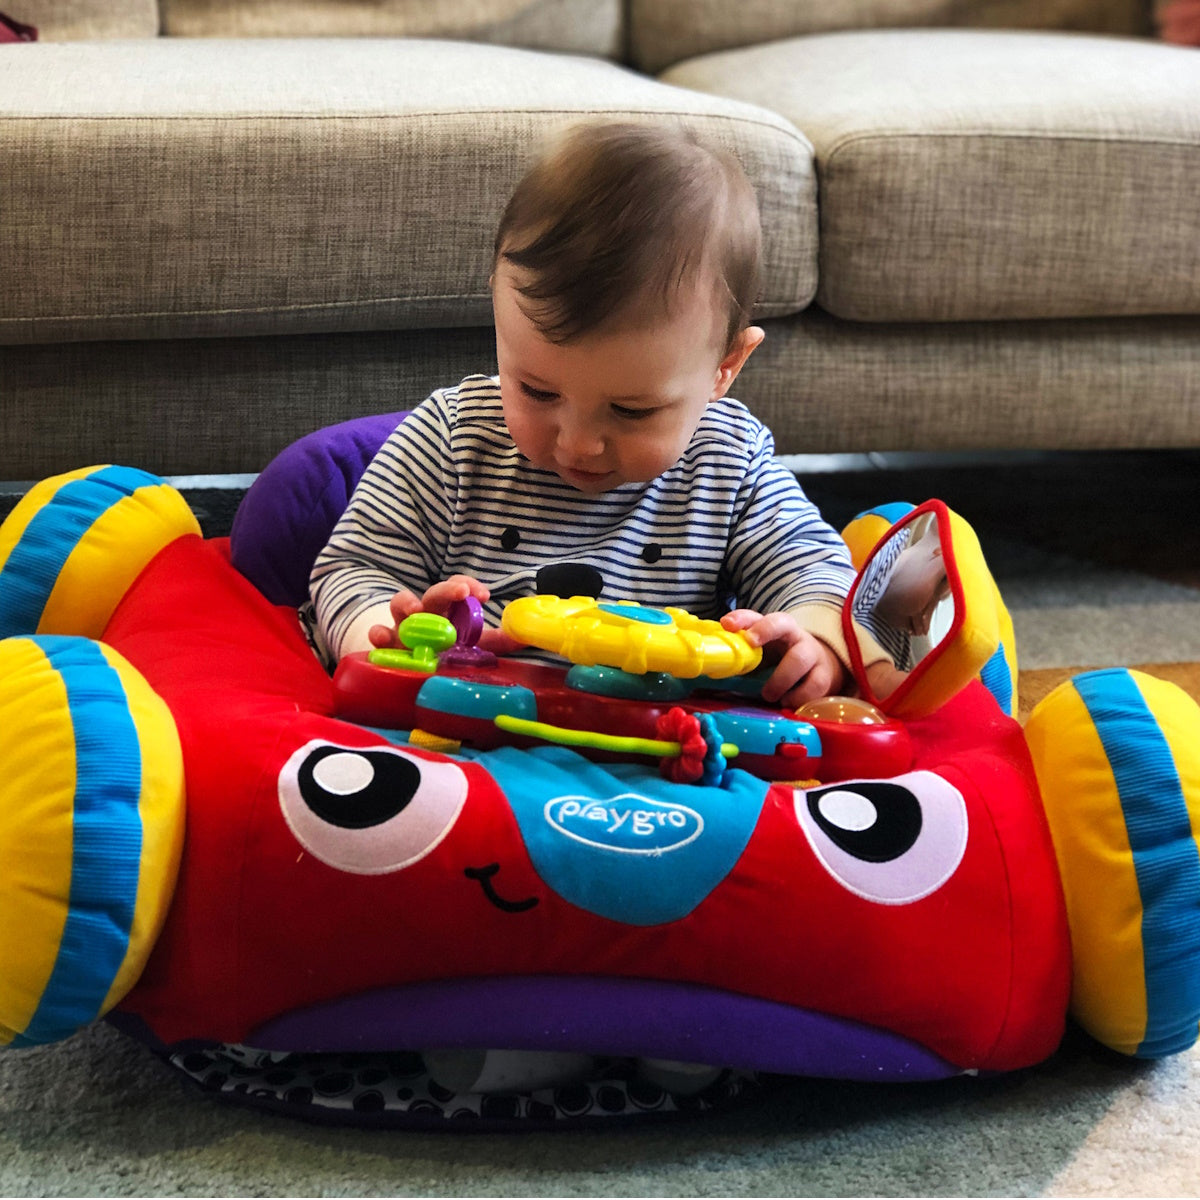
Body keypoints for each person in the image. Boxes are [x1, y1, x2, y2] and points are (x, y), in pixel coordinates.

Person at [310, 120, 884, 708]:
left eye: (632, 410)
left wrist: (814, 641)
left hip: (664, 741)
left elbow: (813, 571)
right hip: (473, 721)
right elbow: (352, 568)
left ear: (724, 368)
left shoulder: (729, 463)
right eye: (537, 392)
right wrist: (390, 635)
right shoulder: (451, 441)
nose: (579, 444)